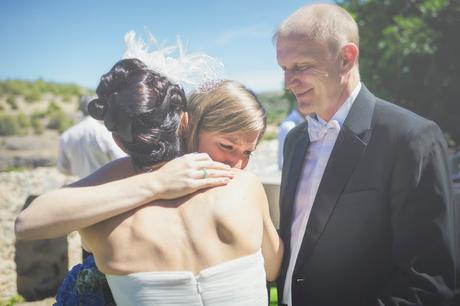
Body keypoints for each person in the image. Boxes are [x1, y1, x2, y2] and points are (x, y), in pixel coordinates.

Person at [15, 58, 283, 305]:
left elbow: (28, 222)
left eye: (248, 152)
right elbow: (272, 268)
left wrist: (153, 184)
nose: (236, 163)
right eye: (227, 146)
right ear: (187, 123)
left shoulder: (101, 219)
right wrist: (159, 183)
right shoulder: (245, 187)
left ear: (117, 141)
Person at [275, 3, 456, 306]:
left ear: (346, 58)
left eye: (301, 67)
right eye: (283, 68)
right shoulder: (295, 140)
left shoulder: (411, 138)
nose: (287, 82)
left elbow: (429, 283)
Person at [57, 95, 126, 178]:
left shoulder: (66, 136)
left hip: (80, 187)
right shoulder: (105, 132)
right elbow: (121, 159)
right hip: (106, 186)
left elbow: (63, 169)